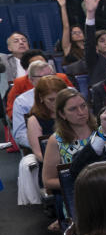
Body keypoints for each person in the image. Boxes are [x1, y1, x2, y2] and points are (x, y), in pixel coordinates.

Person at [18, 75, 68, 206]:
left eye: (60, 98)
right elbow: (39, 155)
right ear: (41, 99)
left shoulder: (73, 112)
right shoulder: (34, 120)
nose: (57, 103)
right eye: (51, 99)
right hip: (52, 169)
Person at [42, 87, 97, 192]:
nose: (81, 112)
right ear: (62, 114)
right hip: (78, 195)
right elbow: (48, 181)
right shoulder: (56, 140)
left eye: (83, 106)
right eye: (73, 109)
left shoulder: (101, 131)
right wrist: (83, 184)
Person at [6, 56, 72, 120]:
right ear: (31, 80)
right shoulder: (22, 102)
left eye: (51, 75)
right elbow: (21, 130)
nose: (48, 79)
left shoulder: (70, 92)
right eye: (43, 77)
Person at [54, 0, 85, 65]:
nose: (77, 34)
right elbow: (66, 26)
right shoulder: (68, 47)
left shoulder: (91, 47)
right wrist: (63, 6)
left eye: (79, 32)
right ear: (71, 36)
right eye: (74, 33)